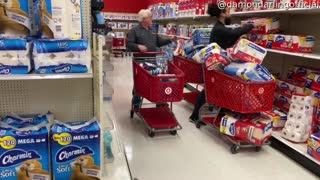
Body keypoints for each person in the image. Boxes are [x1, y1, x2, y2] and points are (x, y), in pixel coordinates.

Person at [189, 3, 265, 124]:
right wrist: (252, 25)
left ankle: (218, 113)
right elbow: (232, 34)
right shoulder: (219, 28)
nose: (230, 13)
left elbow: (228, 42)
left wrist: (240, 37)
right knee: (208, 91)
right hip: (213, 64)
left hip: (217, 63)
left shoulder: (220, 27)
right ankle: (194, 116)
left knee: (216, 90)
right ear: (223, 14)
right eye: (228, 11)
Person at [126, 9, 176, 109]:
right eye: (150, 17)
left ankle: (160, 100)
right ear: (144, 19)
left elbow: (159, 42)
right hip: (140, 62)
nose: (152, 19)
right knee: (140, 82)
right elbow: (128, 44)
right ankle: (136, 101)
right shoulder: (134, 30)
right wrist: (138, 47)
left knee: (157, 79)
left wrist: (170, 40)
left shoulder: (152, 31)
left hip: (152, 60)